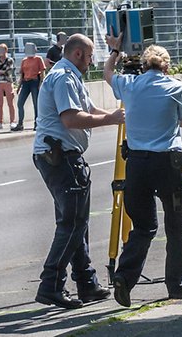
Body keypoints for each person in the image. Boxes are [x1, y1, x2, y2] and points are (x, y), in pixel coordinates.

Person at [32, 34, 125, 309]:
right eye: (89, 56)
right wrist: (109, 119)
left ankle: (86, 283)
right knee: (72, 224)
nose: (91, 61)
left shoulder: (70, 74)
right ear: (76, 55)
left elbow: (87, 108)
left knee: (77, 224)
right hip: (61, 157)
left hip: (62, 157)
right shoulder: (64, 77)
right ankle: (51, 284)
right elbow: (71, 118)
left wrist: (112, 115)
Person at [103, 37, 182, 307]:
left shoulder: (130, 86)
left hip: (138, 164)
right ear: (166, 67)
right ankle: (177, 285)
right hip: (168, 162)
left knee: (143, 227)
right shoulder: (176, 87)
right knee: (176, 224)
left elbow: (107, 72)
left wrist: (116, 50)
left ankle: (124, 277)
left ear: (143, 66)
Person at [13, 42, 46, 131]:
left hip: (35, 82)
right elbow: (22, 74)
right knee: (20, 103)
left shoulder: (38, 59)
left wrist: (40, 84)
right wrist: (19, 86)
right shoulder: (24, 60)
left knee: (36, 104)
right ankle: (20, 124)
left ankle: (37, 123)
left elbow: (42, 72)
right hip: (26, 82)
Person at [0, 43, 17, 129]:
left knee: (10, 103)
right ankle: (0, 122)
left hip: (7, 82)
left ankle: (12, 121)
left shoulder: (10, 60)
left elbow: (9, 71)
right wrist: (2, 71)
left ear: (6, 50)